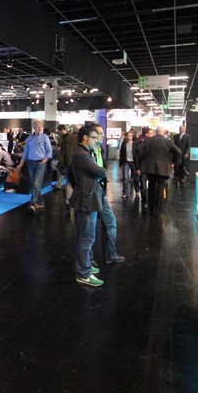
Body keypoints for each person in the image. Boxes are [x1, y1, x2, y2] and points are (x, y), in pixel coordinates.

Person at [68, 124, 108, 287]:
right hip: (87, 200)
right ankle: (83, 273)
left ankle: (83, 267)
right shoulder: (82, 155)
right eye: (94, 137)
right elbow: (102, 172)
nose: (97, 140)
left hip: (87, 197)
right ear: (85, 138)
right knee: (87, 238)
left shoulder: (83, 154)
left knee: (84, 236)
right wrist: (101, 169)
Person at [92, 123, 125, 265]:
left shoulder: (99, 149)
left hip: (100, 192)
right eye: (100, 133)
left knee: (110, 222)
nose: (103, 136)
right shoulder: (86, 152)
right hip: (90, 194)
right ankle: (88, 260)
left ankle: (110, 255)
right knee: (88, 230)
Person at [136, 126, 180, 217]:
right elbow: (179, 152)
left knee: (151, 188)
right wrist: (172, 162)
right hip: (163, 169)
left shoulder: (148, 140)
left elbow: (138, 149)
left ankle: (151, 209)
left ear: (156, 132)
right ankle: (159, 211)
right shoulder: (168, 142)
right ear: (164, 132)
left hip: (150, 168)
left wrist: (145, 157)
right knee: (160, 189)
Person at [15, 119, 53, 212]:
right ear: (33, 127)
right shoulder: (29, 138)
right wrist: (20, 164)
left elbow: (49, 152)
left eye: (41, 126)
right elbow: (25, 152)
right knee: (35, 184)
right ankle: (40, 201)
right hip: (31, 163)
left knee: (36, 183)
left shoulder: (45, 137)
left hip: (40, 164)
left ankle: (32, 203)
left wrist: (44, 161)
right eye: (38, 126)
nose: (40, 128)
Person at [119, 131, 140, 199]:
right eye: (129, 135)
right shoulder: (124, 144)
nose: (130, 136)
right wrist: (120, 163)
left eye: (131, 135)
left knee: (135, 178)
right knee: (125, 178)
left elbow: (138, 154)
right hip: (126, 162)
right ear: (126, 136)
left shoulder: (135, 143)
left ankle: (137, 191)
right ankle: (125, 193)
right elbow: (121, 154)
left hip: (134, 162)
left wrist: (138, 164)